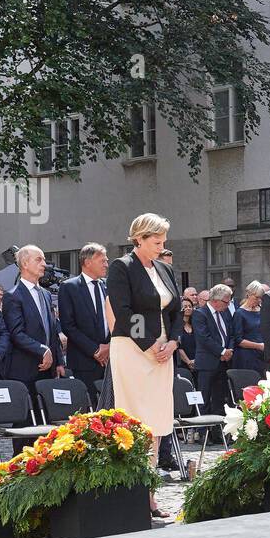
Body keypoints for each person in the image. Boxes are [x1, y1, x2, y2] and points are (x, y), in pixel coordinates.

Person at [107, 213, 182, 518]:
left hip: (164, 351)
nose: (161, 246)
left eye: (164, 241)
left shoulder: (164, 269)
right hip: (133, 349)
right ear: (139, 238)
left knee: (157, 424)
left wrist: (174, 342)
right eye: (156, 241)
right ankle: (130, 493)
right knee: (135, 422)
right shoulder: (121, 267)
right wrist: (150, 342)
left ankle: (149, 494)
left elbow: (177, 310)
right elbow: (123, 310)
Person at [1, 246, 65, 390]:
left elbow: (53, 330)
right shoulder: (13, 296)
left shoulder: (46, 294)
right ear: (24, 264)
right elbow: (16, 333)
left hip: (49, 370)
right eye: (39, 260)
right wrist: (42, 349)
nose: (44, 264)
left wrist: (59, 361)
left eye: (43, 259)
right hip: (25, 371)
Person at [57, 242, 110, 405]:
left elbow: (116, 319)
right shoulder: (69, 287)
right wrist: (95, 350)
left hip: (109, 360)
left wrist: (108, 346)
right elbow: (68, 326)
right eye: (103, 261)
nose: (106, 264)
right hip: (84, 361)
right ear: (88, 262)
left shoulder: (107, 286)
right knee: (88, 412)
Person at [195, 284, 235, 417]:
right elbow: (204, 338)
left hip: (223, 364)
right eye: (226, 301)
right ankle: (201, 434)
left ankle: (217, 434)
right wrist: (222, 351)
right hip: (207, 363)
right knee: (204, 399)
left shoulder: (225, 313)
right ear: (215, 300)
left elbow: (231, 334)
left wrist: (229, 350)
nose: (228, 304)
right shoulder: (200, 314)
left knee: (220, 400)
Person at [231, 282, 266, 374]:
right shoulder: (239, 313)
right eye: (256, 297)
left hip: (262, 356)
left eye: (260, 298)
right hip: (247, 356)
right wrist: (259, 346)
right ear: (248, 295)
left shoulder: (262, 311)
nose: (259, 300)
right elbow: (238, 340)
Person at [176, 299, 198, 378]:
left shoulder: (196, 325)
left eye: (190, 306)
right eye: (185, 307)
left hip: (197, 362)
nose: (188, 308)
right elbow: (178, 347)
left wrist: (196, 360)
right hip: (183, 364)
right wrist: (188, 362)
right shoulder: (176, 326)